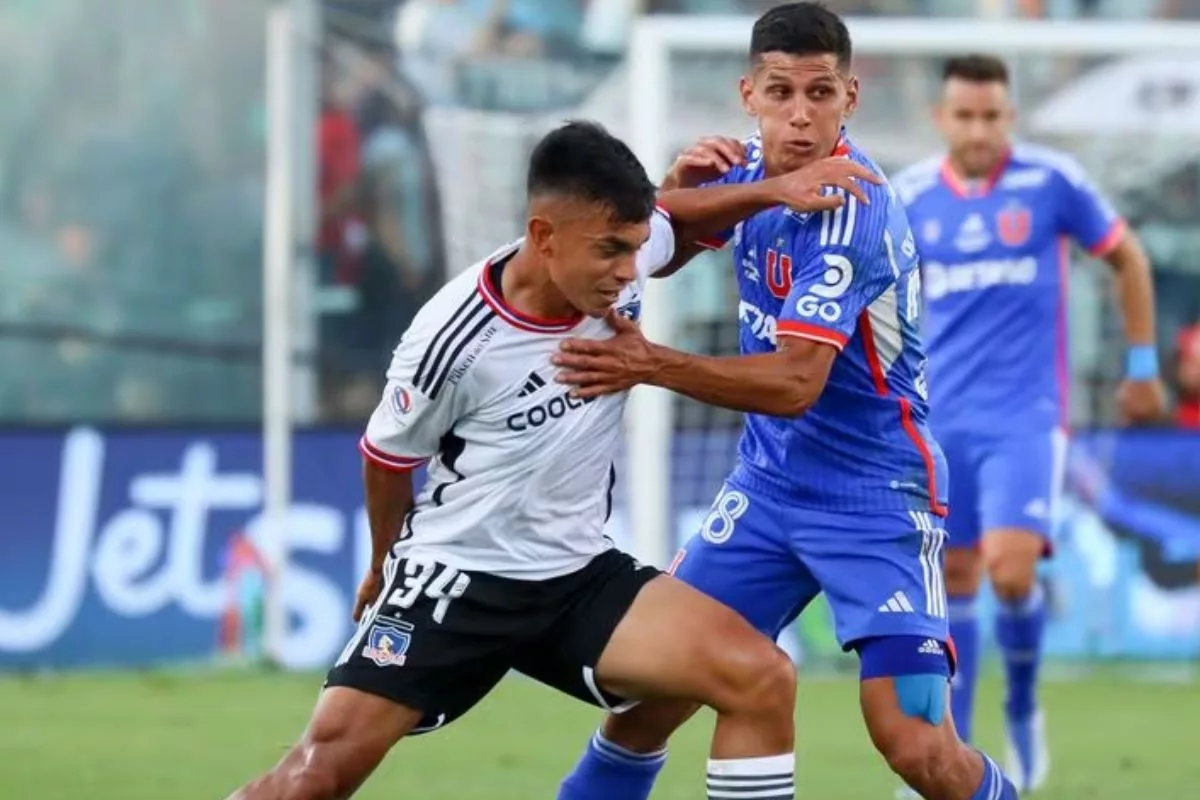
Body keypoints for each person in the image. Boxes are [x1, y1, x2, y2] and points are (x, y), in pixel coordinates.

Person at [224, 119, 876, 800]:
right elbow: (387, 458)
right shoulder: (450, 341)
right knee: (314, 776)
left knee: (760, 676)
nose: (631, 271)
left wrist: (773, 191)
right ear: (543, 237)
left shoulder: (608, 264)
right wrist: (384, 563)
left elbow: (669, 223)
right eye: (610, 252)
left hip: (574, 579)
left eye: (634, 249)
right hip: (458, 579)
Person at [552, 5, 1019, 800]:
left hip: (876, 494)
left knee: (914, 741)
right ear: (749, 94)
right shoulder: (753, 177)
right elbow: (656, 252)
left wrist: (647, 363)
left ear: (851, 98)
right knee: (648, 702)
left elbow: (795, 384)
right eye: (780, 91)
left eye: (819, 92)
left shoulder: (852, 209)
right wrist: (679, 189)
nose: (800, 114)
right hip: (767, 492)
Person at [891, 54, 1166, 792]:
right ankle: (962, 740)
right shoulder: (910, 195)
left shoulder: (1051, 182)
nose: (978, 129)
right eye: (965, 115)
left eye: (991, 116)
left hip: (1025, 417)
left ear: (1008, 116)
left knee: (1013, 572)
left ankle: (1021, 707)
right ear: (941, 118)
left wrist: (1141, 367)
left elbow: (1127, 258)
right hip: (938, 418)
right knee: (955, 576)